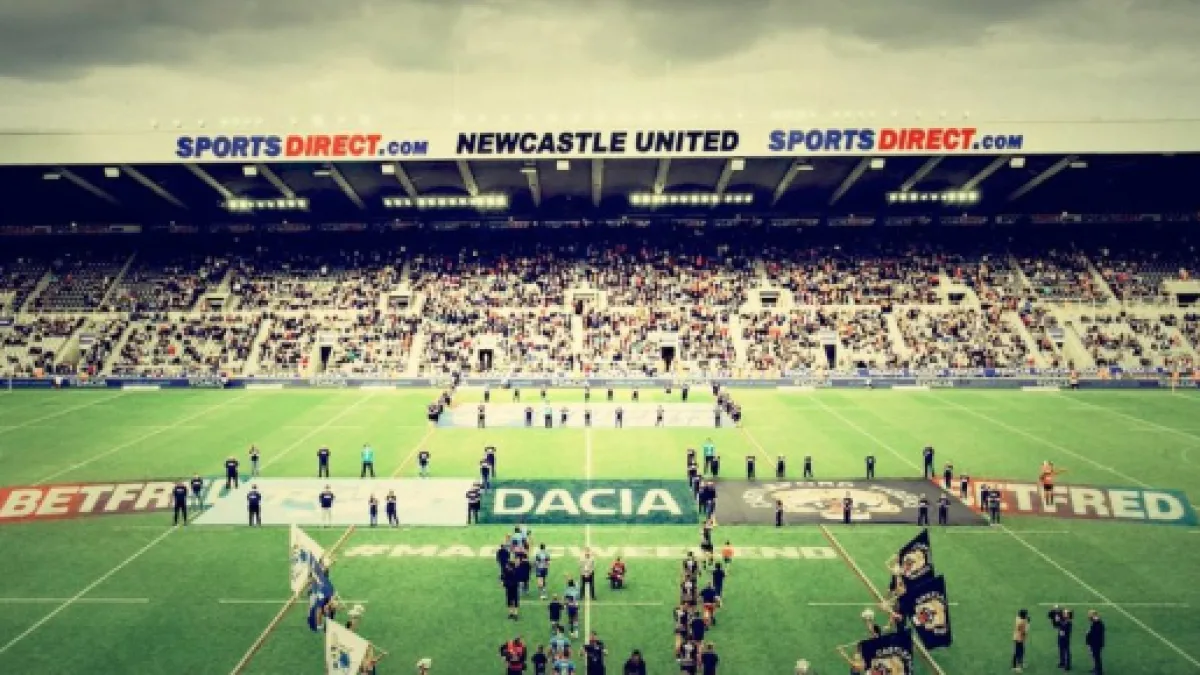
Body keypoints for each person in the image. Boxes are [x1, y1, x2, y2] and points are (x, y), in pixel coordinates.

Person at [1086, 610, 1105, 674]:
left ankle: (1099, 671)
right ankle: (1096, 668)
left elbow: (1095, 634)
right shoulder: (1094, 622)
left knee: (1097, 657)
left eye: (1090, 615)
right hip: (1094, 643)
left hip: (1096, 644)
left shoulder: (1098, 623)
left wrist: (1089, 633)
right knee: (1094, 657)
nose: (1089, 616)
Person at [1013, 608, 1029, 672]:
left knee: (1021, 651)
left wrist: (1026, 621)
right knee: (1018, 652)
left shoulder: (1018, 618)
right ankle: (1015, 666)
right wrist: (1028, 624)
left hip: (1018, 637)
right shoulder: (1021, 622)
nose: (1027, 615)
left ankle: (1021, 663)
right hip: (1019, 639)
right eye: (1026, 614)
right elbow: (1024, 632)